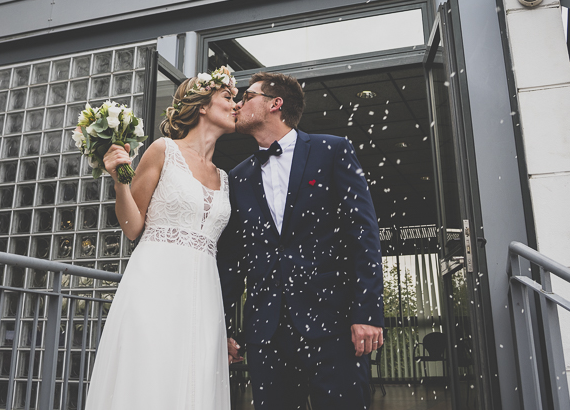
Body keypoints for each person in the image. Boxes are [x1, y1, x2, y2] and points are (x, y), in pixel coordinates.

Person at [218, 71, 385, 410]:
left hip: (335, 327)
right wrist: (223, 326)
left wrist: (367, 313)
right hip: (267, 333)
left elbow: (363, 234)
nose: (238, 104)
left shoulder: (332, 151)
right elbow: (234, 258)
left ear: (275, 104)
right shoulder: (237, 178)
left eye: (247, 96)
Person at [85, 67, 237, 410]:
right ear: (202, 105)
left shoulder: (225, 177)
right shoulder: (163, 150)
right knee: (150, 375)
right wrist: (118, 179)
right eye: (227, 97)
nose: (235, 104)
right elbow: (132, 226)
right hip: (155, 283)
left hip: (203, 294)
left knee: (193, 379)